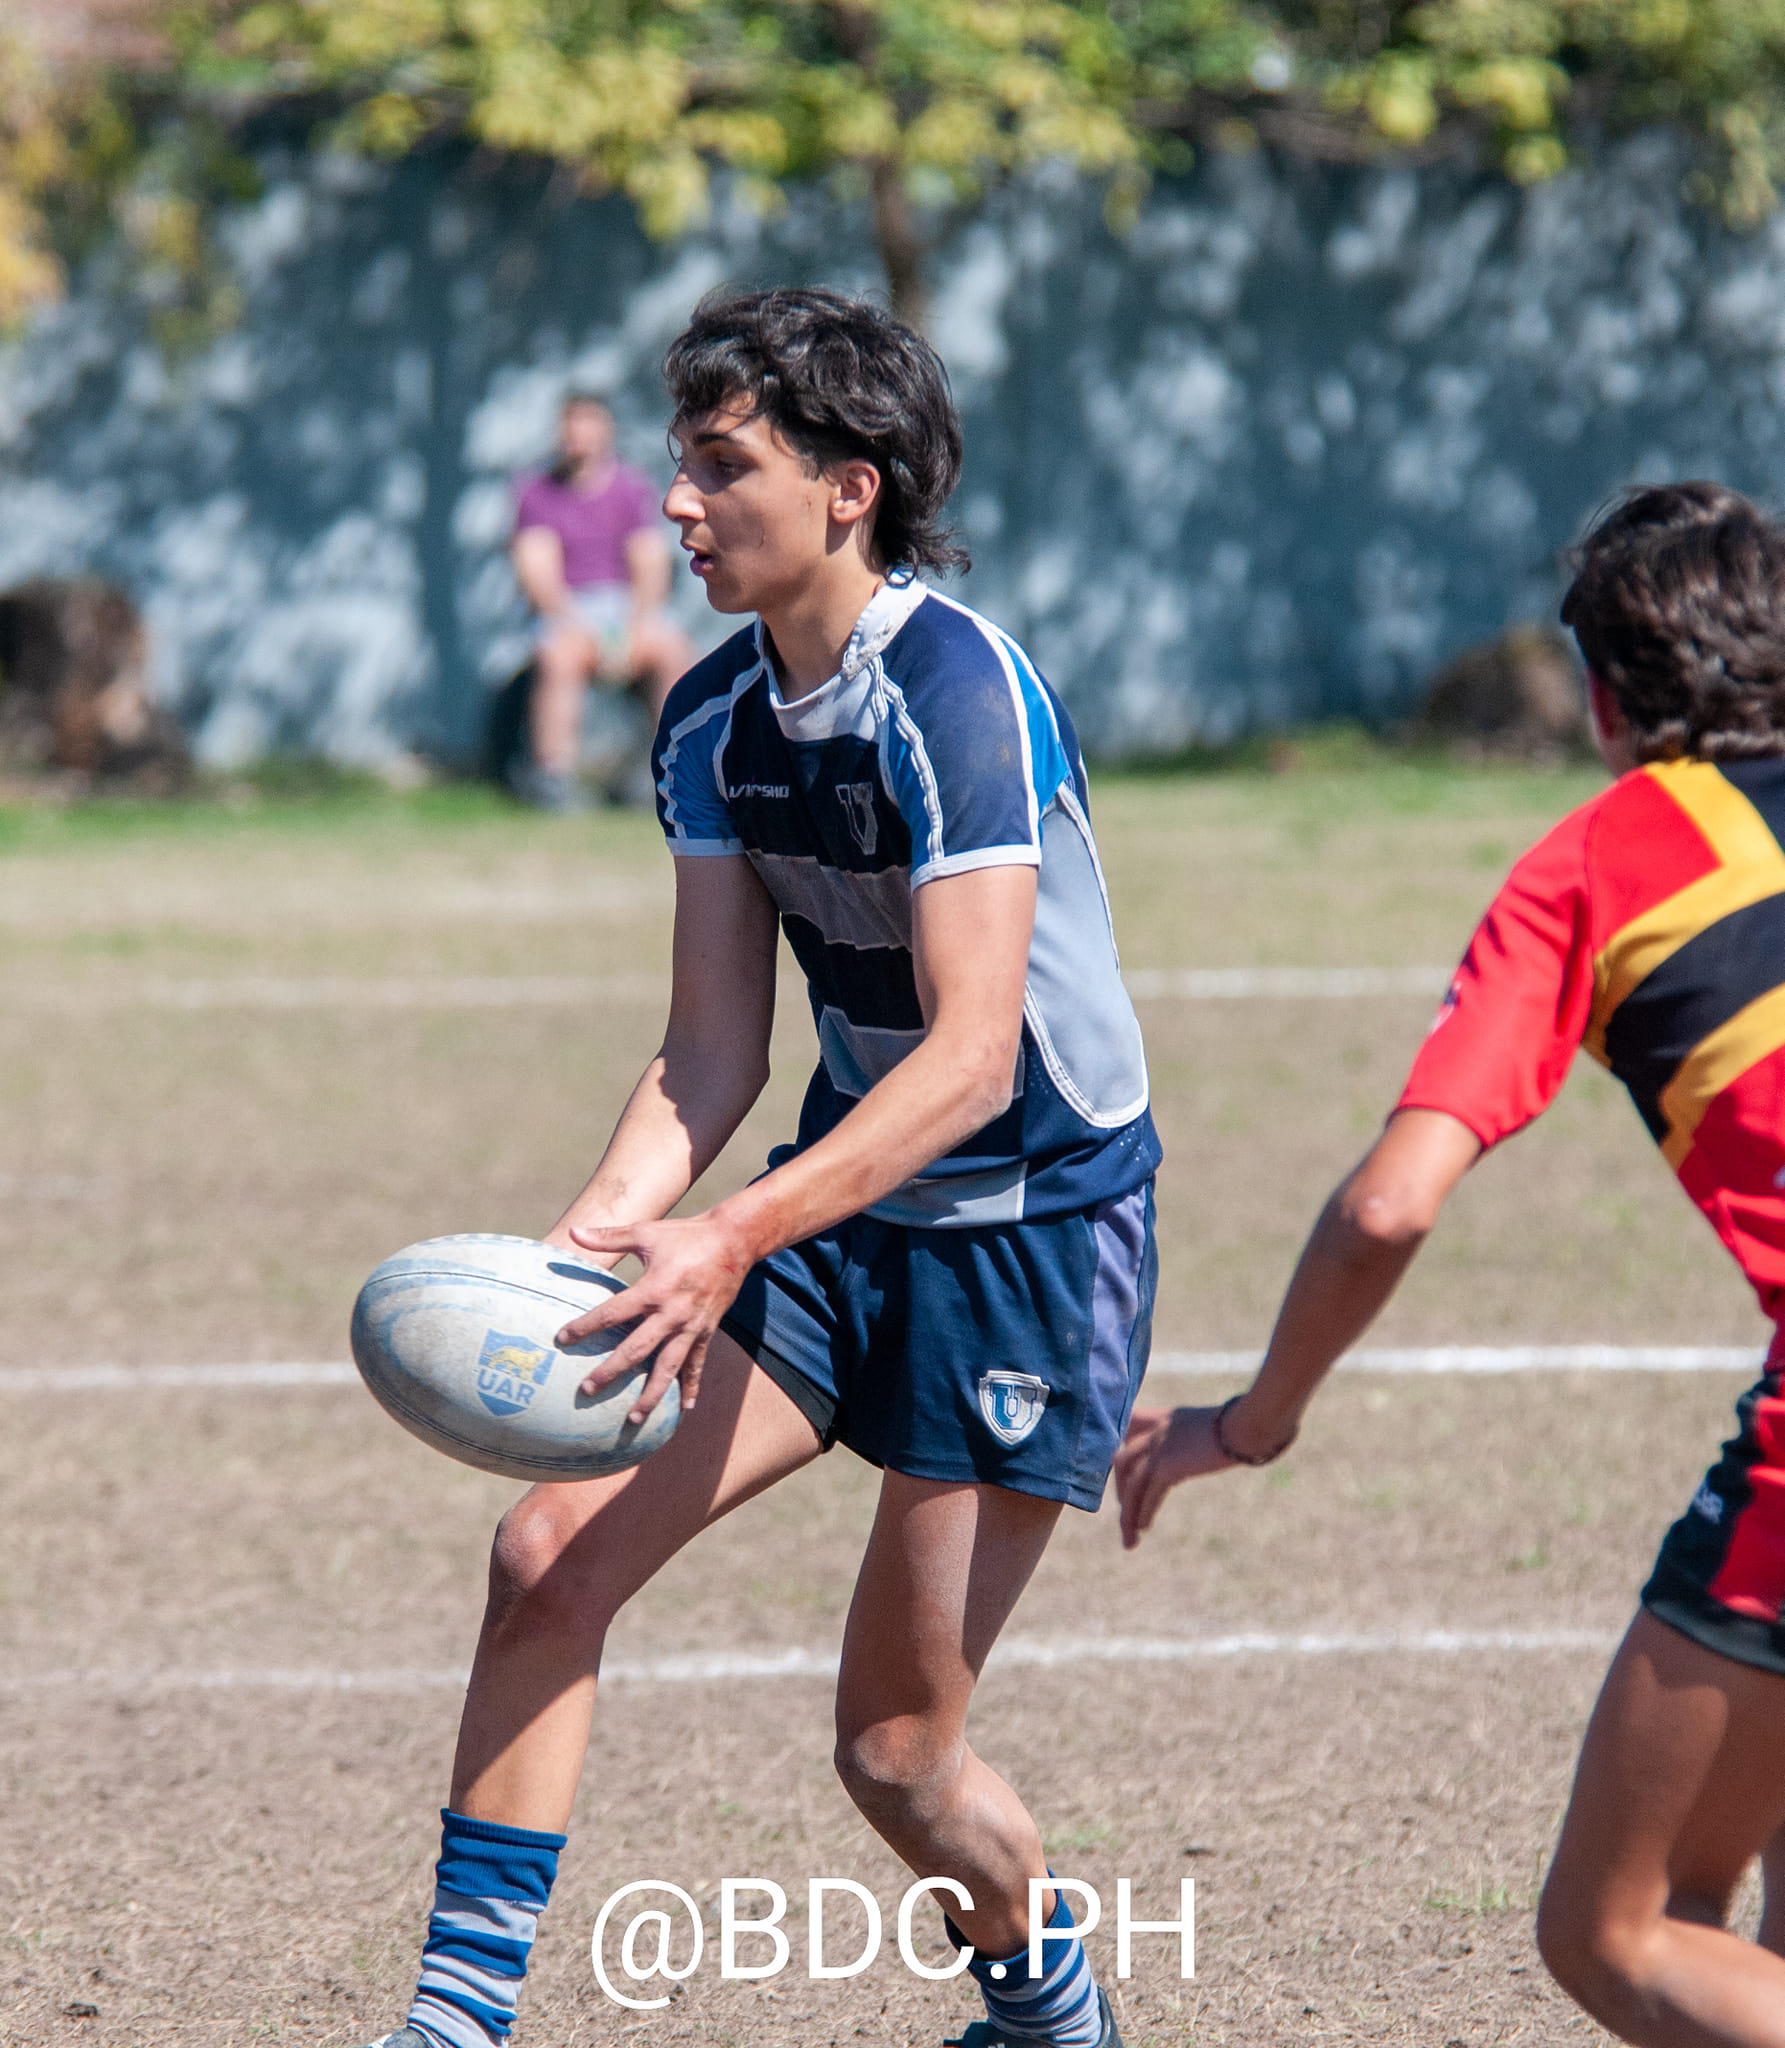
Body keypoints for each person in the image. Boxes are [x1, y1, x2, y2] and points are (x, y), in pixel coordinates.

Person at [356, 287, 1160, 2048]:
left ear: (850, 486)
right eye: (681, 465)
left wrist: (724, 1232)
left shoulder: (963, 696)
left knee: (897, 1749)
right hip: (831, 1215)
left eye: (724, 467)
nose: (677, 505)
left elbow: (966, 1062)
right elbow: (710, 1048)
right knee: (548, 1544)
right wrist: (596, 1237)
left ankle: (1051, 2008)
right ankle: (454, 2022)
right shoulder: (712, 716)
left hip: (1031, 1238)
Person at [1115, 480, 1785, 2048]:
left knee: (1613, 1935)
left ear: (1610, 702)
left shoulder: (1598, 865)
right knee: (1705, 1887)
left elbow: (1386, 1208)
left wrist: (1252, 1418)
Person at [510, 391, 694, 809]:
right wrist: (576, 627)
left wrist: (636, 626)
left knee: (672, 652)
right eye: (572, 427)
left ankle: (677, 772)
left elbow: (649, 563)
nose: (580, 438)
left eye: (589, 427)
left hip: (624, 609)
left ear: (606, 431)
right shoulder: (536, 493)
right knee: (560, 657)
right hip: (569, 611)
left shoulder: (630, 489)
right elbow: (538, 573)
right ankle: (551, 777)